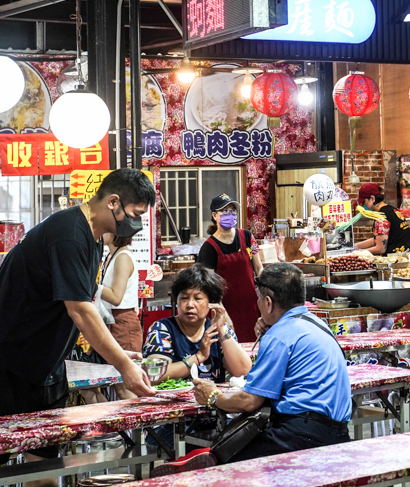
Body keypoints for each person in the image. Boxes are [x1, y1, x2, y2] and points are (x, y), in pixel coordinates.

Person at [0, 168, 156, 477]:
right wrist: (122, 367)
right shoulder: (69, 234)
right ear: (113, 202)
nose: (137, 224)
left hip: (47, 365)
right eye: (135, 213)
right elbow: (81, 311)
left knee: (44, 460)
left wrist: (115, 354)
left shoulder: (93, 238)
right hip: (3, 357)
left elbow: (81, 307)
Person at [156, 263, 352, 476]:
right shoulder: (318, 325)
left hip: (301, 435)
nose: (190, 304)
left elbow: (249, 401)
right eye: (184, 298)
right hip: (340, 432)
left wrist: (213, 397)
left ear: (268, 303)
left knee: (221, 468)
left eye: (258, 300)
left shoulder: (279, 335)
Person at [143, 264, 252, 449]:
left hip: (216, 416)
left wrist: (222, 328)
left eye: (198, 298)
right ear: (175, 301)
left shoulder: (218, 330)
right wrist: (199, 356)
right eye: (184, 298)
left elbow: (242, 370)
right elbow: (154, 375)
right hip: (172, 421)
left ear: (211, 303)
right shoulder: (162, 329)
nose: (189, 305)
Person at [73, 231, 142, 404]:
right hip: (107, 321)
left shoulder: (123, 256)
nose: (99, 233)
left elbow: (116, 297)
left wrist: (88, 283)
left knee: (123, 385)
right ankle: (110, 430)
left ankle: (137, 430)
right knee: (94, 383)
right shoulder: (112, 255)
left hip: (122, 322)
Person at [197, 193, 263, 343]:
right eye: (225, 211)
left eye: (233, 211)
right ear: (214, 215)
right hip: (225, 309)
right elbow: (209, 287)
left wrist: (265, 300)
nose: (230, 215)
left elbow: (259, 269)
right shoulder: (209, 248)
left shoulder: (247, 236)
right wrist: (223, 314)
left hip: (251, 306)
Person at [354, 183, 410, 254]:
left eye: (363, 202)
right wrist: (354, 246)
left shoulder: (381, 217)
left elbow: (380, 249)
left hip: (398, 259)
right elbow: (378, 239)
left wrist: (358, 253)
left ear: (372, 198)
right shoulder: (391, 209)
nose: (362, 206)